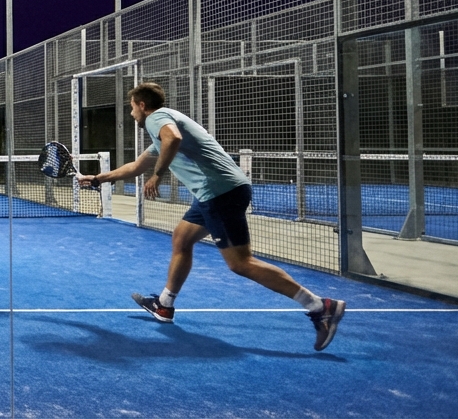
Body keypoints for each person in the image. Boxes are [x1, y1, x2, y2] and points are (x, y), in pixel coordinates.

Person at [77, 82, 346, 351]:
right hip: (213, 194)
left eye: (132, 107)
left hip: (220, 192)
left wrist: (158, 176)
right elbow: (136, 167)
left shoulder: (157, 119)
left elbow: (174, 139)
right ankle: (164, 305)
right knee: (182, 240)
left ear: (142, 105)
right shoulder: (165, 127)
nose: (131, 113)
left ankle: (320, 307)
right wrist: (97, 179)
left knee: (241, 263)